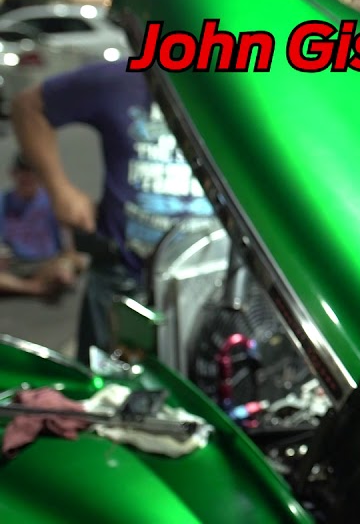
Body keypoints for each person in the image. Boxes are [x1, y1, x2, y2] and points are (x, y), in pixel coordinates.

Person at [10, 60, 214, 364]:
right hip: (122, 277)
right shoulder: (121, 79)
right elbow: (28, 108)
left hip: (212, 278)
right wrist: (60, 189)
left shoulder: (242, 91)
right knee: (105, 385)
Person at [0, 153, 84, 297]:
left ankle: (46, 282)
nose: (27, 177)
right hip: (15, 263)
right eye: (23, 173)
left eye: (32, 173)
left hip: (48, 261)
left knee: (66, 268)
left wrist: (69, 259)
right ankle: (34, 288)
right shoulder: (3, 201)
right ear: (13, 173)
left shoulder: (53, 201)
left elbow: (68, 247)